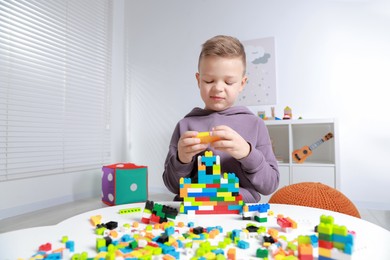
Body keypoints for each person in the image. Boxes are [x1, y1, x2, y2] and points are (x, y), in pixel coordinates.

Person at [162, 35, 279, 203]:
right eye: (209, 80)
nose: (218, 88)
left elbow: (270, 185)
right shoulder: (185, 125)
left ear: (242, 84)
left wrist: (247, 153)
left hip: (238, 212)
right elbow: (173, 186)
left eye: (229, 82)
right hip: (193, 210)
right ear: (198, 80)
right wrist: (181, 159)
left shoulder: (255, 124)